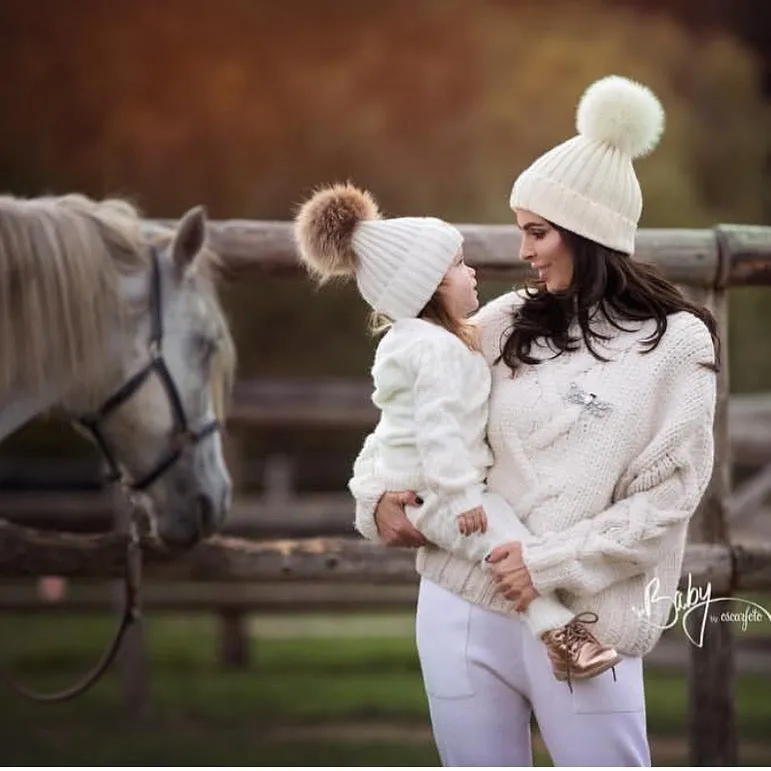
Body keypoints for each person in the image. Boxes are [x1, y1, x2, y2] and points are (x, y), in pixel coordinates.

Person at [350, 74, 719, 767]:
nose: (522, 251)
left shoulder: (677, 343)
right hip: (461, 611)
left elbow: (667, 501)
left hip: (587, 620)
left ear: (590, 231)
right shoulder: (503, 321)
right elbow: (408, 405)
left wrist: (544, 561)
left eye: (537, 232)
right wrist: (375, 493)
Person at [292, 182, 621, 683]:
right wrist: (461, 493)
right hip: (438, 491)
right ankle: (566, 637)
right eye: (457, 265)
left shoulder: (421, 342)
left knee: (508, 547)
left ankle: (563, 641)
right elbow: (438, 429)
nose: (472, 272)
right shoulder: (435, 350)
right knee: (509, 549)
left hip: (430, 484)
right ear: (425, 286)